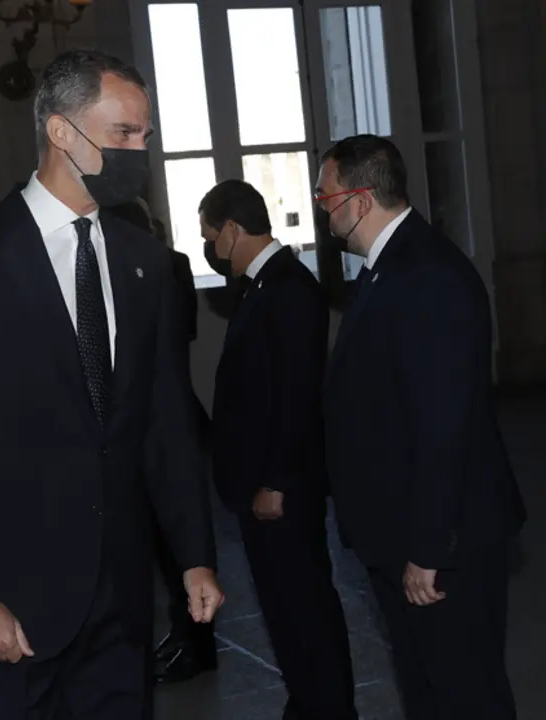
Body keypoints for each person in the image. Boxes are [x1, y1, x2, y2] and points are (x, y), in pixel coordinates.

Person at [0, 49, 223, 719]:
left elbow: (164, 423)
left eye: (146, 135)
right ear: (61, 132)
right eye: (123, 134)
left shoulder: (146, 263)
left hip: (122, 604)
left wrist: (193, 555)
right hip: (9, 603)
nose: (140, 150)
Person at [318, 134, 525, 720]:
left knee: (465, 693)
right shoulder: (388, 268)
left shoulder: (426, 274)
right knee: (428, 690)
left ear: (358, 200)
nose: (321, 207)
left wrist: (429, 548)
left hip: (441, 543)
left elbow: (443, 424)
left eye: (325, 194)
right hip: (402, 532)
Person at [202, 179, 357, 719]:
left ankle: (330, 707)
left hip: (281, 488)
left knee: (304, 602)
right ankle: (308, 700)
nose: (211, 250)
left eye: (211, 237)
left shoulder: (289, 287)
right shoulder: (262, 285)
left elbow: (295, 396)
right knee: (282, 605)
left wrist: (274, 480)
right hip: (260, 484)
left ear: (232, 230)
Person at [107, 198, 217, 683]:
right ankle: (181, 631)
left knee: (175, 533)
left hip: (160, 404)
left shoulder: (167, 267)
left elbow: (183, 330)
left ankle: (195, 637)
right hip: (145, 414)